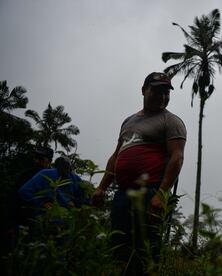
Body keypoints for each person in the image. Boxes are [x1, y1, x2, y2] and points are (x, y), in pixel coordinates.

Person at [91, 72, 186, 273]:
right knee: (119, 250)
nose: (162, 97)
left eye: (166, 93)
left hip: (150, 194)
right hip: (122, 194)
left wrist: (161, 195)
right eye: (157, 91)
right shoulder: (128, 122)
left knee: (147, 253)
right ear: (144, 90)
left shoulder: (171, 121)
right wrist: (101, 187)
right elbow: (116, 156)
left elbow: (177, 157)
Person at [19, 156, 88, 212]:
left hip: (48, 220)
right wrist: (42, 204)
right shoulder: (74, 178)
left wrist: (41, 204)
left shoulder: (46, 173)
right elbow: (25, 191)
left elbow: (24, 191)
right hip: (59, 219)